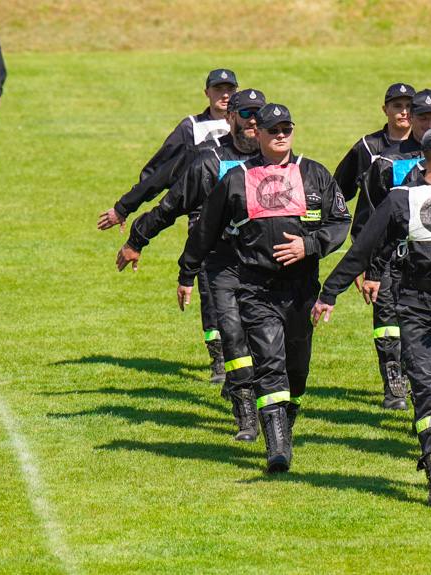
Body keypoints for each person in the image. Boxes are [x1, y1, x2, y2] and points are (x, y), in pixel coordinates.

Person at [311, 124, 431, 507]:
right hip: (416, 308)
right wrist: (329, 293)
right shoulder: (400, 200)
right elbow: (362, 249)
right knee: (429, 390)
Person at [176, 103, 351, 473]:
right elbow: (205, 229)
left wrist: (311, 245)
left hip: (302, 289)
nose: (281, 135)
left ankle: (284, 424)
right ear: (261, 135)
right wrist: (186, 273)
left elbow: (340, 222)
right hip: (256, 289)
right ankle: (277, 450)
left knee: (297, 369)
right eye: (273, 130)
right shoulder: (237, 178)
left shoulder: (315, 174)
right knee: (270, 363)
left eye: (286, 128)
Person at [115, 88, 266, 441]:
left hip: (265, 263)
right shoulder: (210, 159)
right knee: (231, 333)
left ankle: (253, 394)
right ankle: (245, 409)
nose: (253, 122)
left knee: (265, 338)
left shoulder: (275, 159)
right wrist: (137, 239)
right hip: (221, 260)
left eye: (259, 115)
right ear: (230, 118)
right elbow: (171, 203)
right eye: (245, 114)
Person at [99, 69, 239, 383]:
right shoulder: (192, 128)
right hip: (203, 217)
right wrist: (127, 207)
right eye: (218, 89)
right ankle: (219, 360)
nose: (224, 95)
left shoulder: (251, 130)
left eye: (230, 89)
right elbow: (160, 170)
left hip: (245, 220)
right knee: (211, 288)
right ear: (207, 93)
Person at [357, 88, 431, 409]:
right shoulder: (386, 161)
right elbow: (367, 214)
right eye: (422, 116)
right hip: (389, 257)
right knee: (386, 318)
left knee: (422, 323)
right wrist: (364, 263)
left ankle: (422, 383)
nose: (426, 122)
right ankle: (394, 384)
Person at [333, 82, 414, 410]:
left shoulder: (428, 147)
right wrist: (357, 255)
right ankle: (393, 383)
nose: (403, 111)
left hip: (419, 249)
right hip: (377, 249)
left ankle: (417, 377)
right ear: (385, 110)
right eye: (396, 105)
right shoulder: (368, 148)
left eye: (409, 105)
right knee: (385, 315)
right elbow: (338, 191)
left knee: (415, 315)